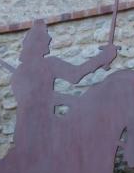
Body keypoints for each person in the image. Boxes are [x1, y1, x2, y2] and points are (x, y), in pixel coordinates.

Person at [10, 20, 118, 155]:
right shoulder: (23, 73)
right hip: (33, 133)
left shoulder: (45, 65)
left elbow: (74, 75)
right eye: (44, 40)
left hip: (48, 126)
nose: (48, 41)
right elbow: (33, 100)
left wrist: (102, 58)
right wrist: (102, 58)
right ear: (36, 44)